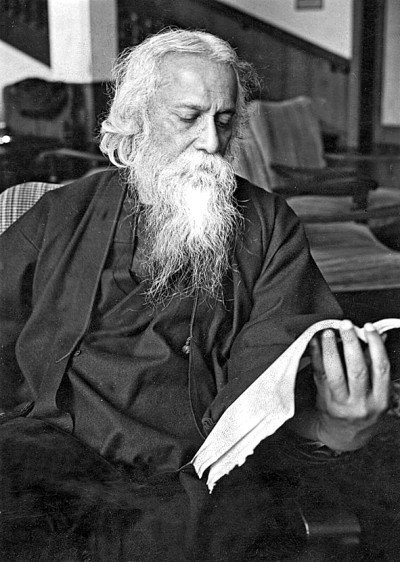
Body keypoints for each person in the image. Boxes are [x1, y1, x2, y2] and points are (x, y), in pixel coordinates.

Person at [0, 29, 391, 561]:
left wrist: (336, 425)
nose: (211, 142)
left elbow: (281, 377)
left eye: (224, 121)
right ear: (136, 123)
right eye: (188, 118)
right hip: (51, 454)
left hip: (194, 475)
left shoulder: (270, 227)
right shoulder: (63, 213)